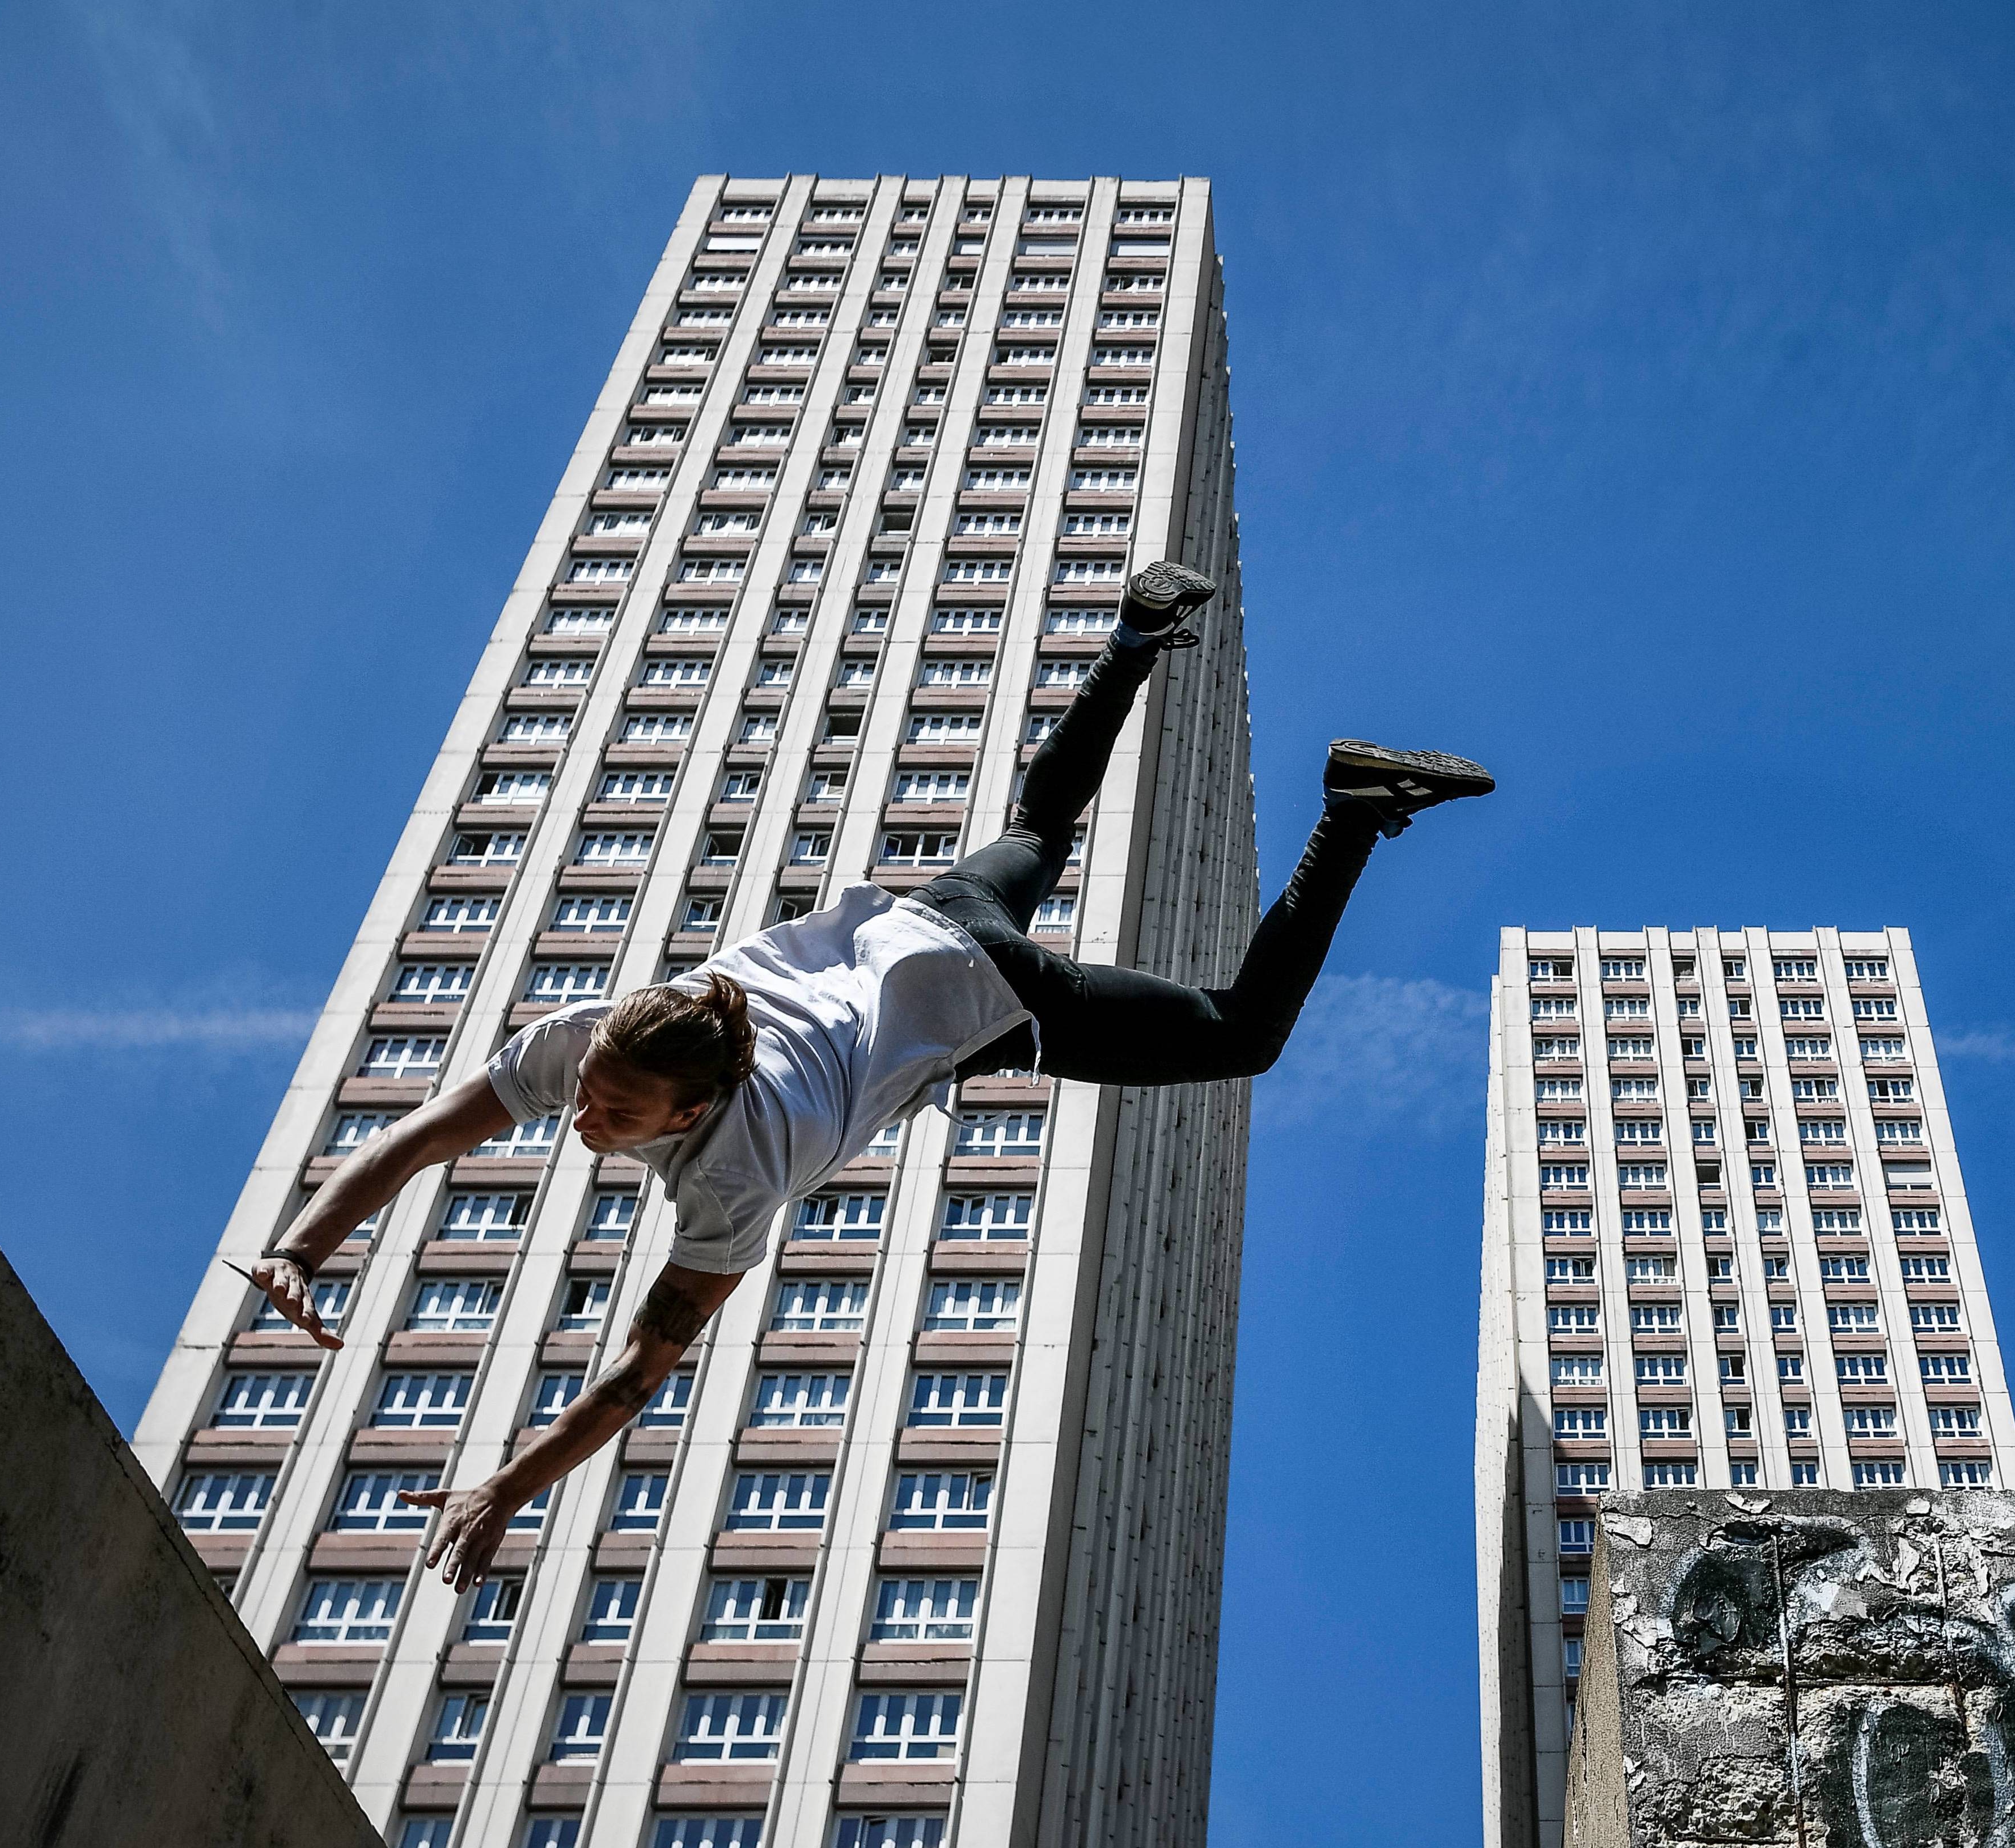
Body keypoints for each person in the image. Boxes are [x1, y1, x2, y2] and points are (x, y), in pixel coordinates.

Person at [240, 562, 1488, 1588]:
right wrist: (308, 1241)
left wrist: (508, 1487)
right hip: (923, 919)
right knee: (1038, 832)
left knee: (1237, 1035)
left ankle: (1350, 812)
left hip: (972, 992)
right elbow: (418, 1138)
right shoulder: (597, 1031)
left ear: (694, 1110)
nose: (583, 1119)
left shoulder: (739, 1164)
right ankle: (1138, 634)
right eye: (588, 1100)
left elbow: (640, 1366)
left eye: (617, 1117)